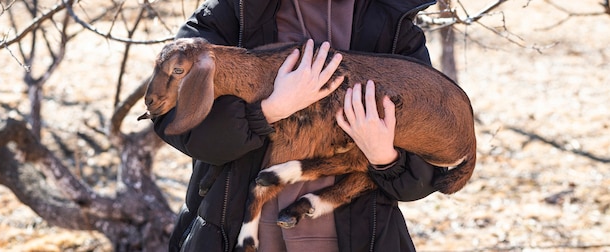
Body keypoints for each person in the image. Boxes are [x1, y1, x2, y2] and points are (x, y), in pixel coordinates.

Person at [152, 0, 448, 251]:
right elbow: (173, 121)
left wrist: (384, 156)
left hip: (353, 239)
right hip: (238, 235)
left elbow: (427, 174)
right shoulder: (233, 10)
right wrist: (268, 110)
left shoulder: (393, 21)